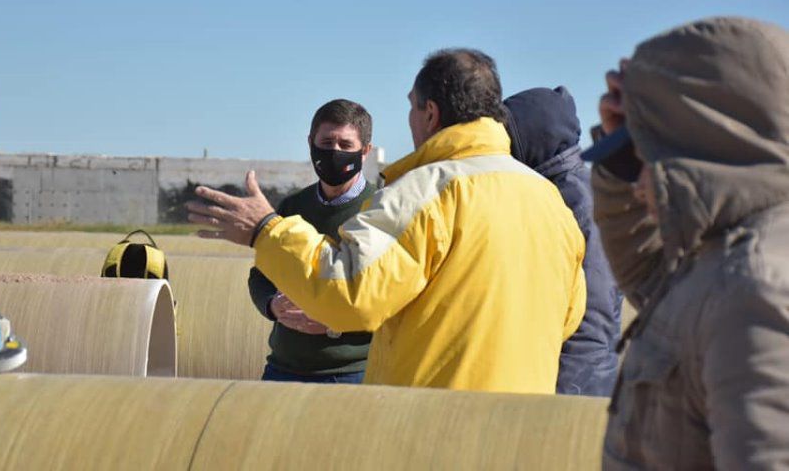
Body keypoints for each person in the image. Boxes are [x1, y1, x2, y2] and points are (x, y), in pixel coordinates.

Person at [188, 48, 586, 393]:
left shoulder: (426, 192)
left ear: (430, 113)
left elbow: (350, 292)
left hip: (433, 425)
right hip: (520, 425)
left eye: (412, 106)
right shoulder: (548, 200)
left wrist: (265, 231)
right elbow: (569, 317)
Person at [582, 17, 789, 469]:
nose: (639, 186)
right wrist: (620, 155)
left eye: (649, 159)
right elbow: (648, 274)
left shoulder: (756, 291)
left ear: (697, 155)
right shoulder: (721, 258)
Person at [248, 99, 376, 384]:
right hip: (282, 368)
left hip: (351, 374)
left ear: (365, 151)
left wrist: (336, 323)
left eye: (346, 145)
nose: (335, 152)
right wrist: (272, 305)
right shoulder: (293, 205)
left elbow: (392, 296)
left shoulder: (381, 208)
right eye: (327, 142)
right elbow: (260, 274)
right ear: (311, 143)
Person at [504, 86, 622, 396]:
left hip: (577, 382)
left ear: (528, 139)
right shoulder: (556, 189)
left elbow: (594, 314)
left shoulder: (576, 200)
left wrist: (565, 394)